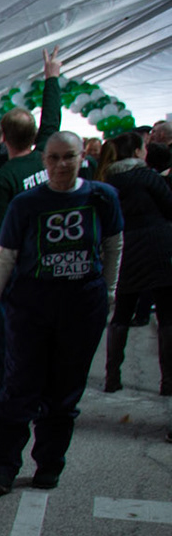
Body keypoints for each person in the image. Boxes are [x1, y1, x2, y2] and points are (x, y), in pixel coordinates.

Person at [0, 133, 124, 498]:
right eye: (53, 158)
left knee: (65, 390)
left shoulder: (102, 197)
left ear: (82, 157)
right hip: (31, 305)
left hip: (81, 305)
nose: (61, 165)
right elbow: (4, 257)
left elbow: (113, 246)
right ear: (44, 161)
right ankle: (1, 469)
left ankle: (49, 464)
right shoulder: (26, 204)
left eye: (69, 156)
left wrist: (107, 294)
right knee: (17, 386)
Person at [0, 49, 63, 417]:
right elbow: (53, 118)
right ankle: (36, 395)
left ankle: (1, 396)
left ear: (1, 137)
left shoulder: (2, 181)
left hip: (14, 266)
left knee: (3, 332)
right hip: (48, 261)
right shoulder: (47, 158)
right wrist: (51, 77)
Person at [100, 133, 172, 393]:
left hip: (125, 250)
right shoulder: (149, 177)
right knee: (167, 316)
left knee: (121, 314)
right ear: (137, 152)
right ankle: (168, 382)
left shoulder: (108, 182)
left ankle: (112, 378)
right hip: (158, 249)